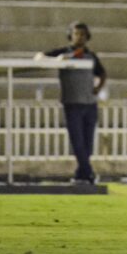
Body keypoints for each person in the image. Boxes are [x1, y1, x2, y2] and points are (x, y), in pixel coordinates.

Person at [35, 21, 106, 184]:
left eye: (82, 34)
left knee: (88, 143)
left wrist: (97, 88)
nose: (79, 37)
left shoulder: (91, 55)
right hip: (72, 103)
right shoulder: (64, 52)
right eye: (76, 34)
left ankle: (81, 175)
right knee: (78, 141)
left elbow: (102, 74)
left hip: (90, 104)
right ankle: (88, 173)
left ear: (87, 37)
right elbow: (39, 57)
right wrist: (57, 60)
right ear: (70, 36)